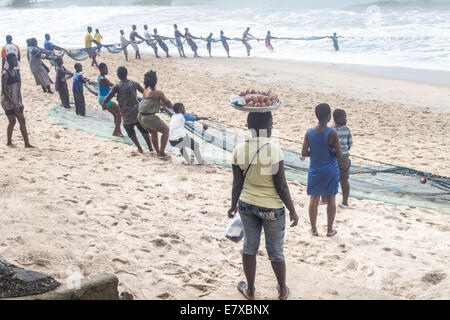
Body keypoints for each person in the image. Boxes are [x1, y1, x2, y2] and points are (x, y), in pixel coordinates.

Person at [228, 111, 298, 301]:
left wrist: (233, 205)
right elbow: (281, 185)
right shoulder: (273, 150)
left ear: (249, 127)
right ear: (267, 127)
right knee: (275, 250)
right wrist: (292, 209)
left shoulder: (239, 149)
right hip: (272, 209)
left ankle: (250, 291)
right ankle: (282, 291)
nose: (273, 127)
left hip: (247, 205)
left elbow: (237, 184)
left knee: (249, 247)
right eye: (271, 124)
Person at [301, 103, 342, 237]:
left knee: (314, 199)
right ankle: (329, 230)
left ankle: (313, 229)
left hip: (315, 169)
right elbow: (339, 154)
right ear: (329, 116)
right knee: (331, 199)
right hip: (330, 169)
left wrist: (316, 152)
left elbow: (304, 152)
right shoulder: (332, 133)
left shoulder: (309, 132)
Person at [102, 66, 153, 153]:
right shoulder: (134, 83)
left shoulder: (117, 86)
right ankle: (150, 148)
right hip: (136, 111)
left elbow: (108, 97)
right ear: (126, 74)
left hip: (125, 113)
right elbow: (145, 92)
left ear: (118, 75)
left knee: (129, 129)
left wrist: (104, 104)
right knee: (143, 129)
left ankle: (139, 148)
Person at [138, 70, 172, 159]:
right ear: (155, 81)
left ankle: (158, 152)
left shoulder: (145, 89)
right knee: (166, 130)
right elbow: (167, 102)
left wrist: (159, 105)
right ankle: (161, 153)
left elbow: (150, 101)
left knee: (153, 133)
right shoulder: (158, 92)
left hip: (141, 116)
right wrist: (174, 109)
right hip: (149, 118)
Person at [1, 53, 33, 148]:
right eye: (14, 60)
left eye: (16, 59)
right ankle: (9, 142)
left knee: (22, 120)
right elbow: (4, 92)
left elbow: (19, 89)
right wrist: (14, 104)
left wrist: (20, 102)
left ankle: (27, 143)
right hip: (7, 101)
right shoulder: (5, 74)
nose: (16, 61)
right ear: (9, 61)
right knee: (13, 121)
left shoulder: (17, 73)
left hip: (16, 99)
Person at [332, 109, 352, 206]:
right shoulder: (346, 129)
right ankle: (345, 202)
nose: (346, 119)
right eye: (345, 117)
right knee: (344, 179)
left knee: (331, 179)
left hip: (332, 157)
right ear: (339, 118)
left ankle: (326, 200)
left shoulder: (330, 129)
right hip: (344, 158)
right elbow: (349, 144)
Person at [98, 62, 124, 137]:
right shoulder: (103, 79)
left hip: (102, 98)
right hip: (104, 99)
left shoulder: (101, 77)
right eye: (105, 68)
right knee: (119, 112)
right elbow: (113, 85)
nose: (107, 70)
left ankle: (118, 132)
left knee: (116, 115)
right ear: (101, 69)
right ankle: (116, 131)